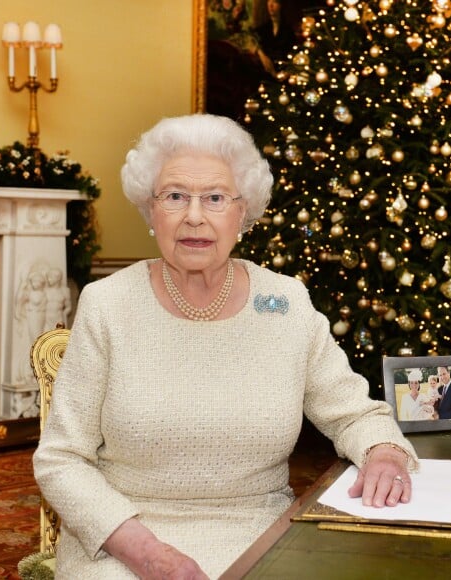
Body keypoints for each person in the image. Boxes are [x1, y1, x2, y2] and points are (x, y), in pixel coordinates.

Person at [33, 114, 418, 579]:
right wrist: (149, 554)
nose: (194, 215)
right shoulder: (108, 305)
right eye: (175, 196)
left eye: (215, 198)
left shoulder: (285, 303)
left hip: (260, 534)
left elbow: (355, 414)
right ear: (150, 210)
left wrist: (383, 454)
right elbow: (61, 459)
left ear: (244, 213)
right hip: (123, 543)